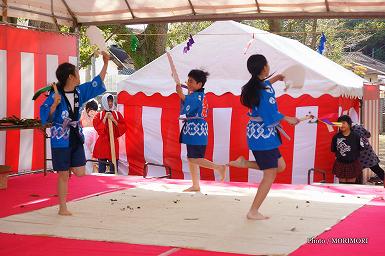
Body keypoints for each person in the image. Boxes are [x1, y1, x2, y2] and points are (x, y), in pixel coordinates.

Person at [228, 54, 299, 220]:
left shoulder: (253, 86)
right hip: (263, 136)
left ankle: (244, 163)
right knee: (270, 173)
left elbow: (264, 85)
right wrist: (287, 118)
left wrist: (277, 78)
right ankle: (253, 211)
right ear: (264, 68)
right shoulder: (263, 91)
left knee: (280, 166)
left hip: (259, 133)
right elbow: (270, 113)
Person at [40, 51, 109, 216]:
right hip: (60, 137)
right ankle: (62, 207)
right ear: (71, 77)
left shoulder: (79, 92)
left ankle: (66, 167)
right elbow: (45, 117)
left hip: (75, 135)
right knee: (63, 174)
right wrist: (54, 105)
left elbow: (96, 83)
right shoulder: (54, 95)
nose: (79, 75)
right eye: (77, 73)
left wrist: (105, 63)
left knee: (80, 172)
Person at [176, 69, 226, 192]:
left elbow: (186, 101)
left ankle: (219, 167)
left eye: (191, 81)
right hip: (194, 128)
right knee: (191, 158)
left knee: (194, 158)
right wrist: (182, 93)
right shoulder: (197, 95)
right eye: (188, 80)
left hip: (196, 129)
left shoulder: (198, 96)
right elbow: (187, 101)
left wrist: (180, 93)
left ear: (199, 84)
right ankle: (195, 185)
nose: (188, 83)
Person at [93, 93, 127, 174]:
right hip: (102, 145)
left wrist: (113, 119)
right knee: (101, 170)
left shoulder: (117, 114)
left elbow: (123, 128)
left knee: (114, 169)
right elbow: (99, 129)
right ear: (104, 102)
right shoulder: (99, 115)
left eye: (111, 101)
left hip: (113, 144)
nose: (110, 103)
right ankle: (100, 186)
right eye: (108, 101)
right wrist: (105, 118)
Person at [331, 115, 364, 184]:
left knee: (351, 185)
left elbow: (361, 148)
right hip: (340, 163)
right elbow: (334, 149)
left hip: (353, 163)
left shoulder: (356, 136)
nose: (341, 125)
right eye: (339, 123)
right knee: (342, 184)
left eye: (343, 123)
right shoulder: (336, 137)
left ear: (349, 124)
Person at [80, 100, 99, 174]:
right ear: (87, 109)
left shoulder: (96, 114)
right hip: (85, 136)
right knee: (86, 153)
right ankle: (88, 171)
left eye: (94, 110)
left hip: (95, 135)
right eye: (91, 110)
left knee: (94, 154)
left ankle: (93, 170)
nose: (92, 112)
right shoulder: (82, 113)